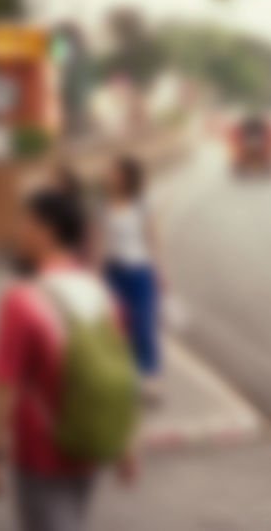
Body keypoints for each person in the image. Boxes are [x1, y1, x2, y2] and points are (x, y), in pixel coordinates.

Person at [0, 189, 137, 531]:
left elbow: (2, 384)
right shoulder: (101, 292)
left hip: (42, 452)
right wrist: (124, 446)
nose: (17, 231)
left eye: (24, 222)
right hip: (90, 441)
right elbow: (121, 370)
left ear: (46, 231)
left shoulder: (22, 300)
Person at [100, 157, 163, 396]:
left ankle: (150, 378)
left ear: (125, 177)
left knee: (143, 325)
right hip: (112, 273)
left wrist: (160, 271)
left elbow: (153, 237)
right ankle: (122, 376)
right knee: (115, 328)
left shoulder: (143, 203)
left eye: (113, 172)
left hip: (140, 271)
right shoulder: (104, 204)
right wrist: (96, 275)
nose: (108, 175)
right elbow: (99, 241)